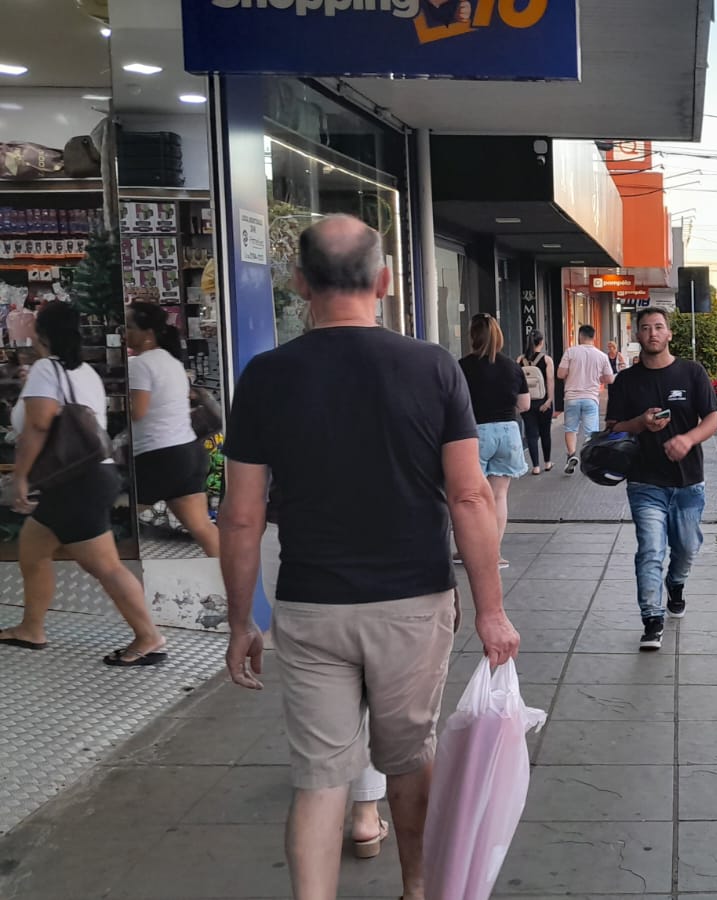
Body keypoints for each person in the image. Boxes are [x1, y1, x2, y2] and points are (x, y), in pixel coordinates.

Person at [218, 214, 519, 900]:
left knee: (319, 779)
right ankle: (417, 890)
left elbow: (240, 515)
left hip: (310, 604)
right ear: (384, 282)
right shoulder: (433, 367)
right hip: (412, 602)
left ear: (300, 284)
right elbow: (470, 497)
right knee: (409, 760)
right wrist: (491, 611)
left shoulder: (265, 376)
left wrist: (241, 622)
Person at [0, 303, 165, 665]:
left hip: (76, 483)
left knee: (105, 566)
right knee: (32, 550)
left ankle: (148, 636)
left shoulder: (47, 369)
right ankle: (31, 627)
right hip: (86, 477)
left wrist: (22, 476)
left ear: (41, 334)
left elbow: (39, 425)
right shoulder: (82, 372)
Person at [605, 307, 717, 650]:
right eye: (645, 328)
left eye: (658, 327)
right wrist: (640, 423)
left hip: (689, 483)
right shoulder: (626, 381)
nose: (652, 333)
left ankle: (676, 583)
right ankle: (652, 619)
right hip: (644, 481)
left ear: (669, 333)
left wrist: (688, 439)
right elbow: (613, 427)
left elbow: (713, 418)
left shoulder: (692, 372)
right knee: (651, 549)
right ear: (637, 335)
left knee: (686, 548)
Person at [125, 301, 219, 557]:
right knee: (202, 528)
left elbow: (137, 411)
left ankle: (114, 576)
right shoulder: (172, 362)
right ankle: (233, 576)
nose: (125, 333)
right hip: (188, 453)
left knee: (118, 526)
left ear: (148, 333)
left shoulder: (139, 365)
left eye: (129, 327)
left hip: (158, 457)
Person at [459, 313, 529, 567]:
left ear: (472, 336)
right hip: (508, 432)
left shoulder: (462, 366)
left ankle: (470, 551)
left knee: (472, 497)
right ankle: (494, 554)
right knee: (499, 496)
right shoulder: (512, 366)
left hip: (474, 433)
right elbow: (525, 404)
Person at [556, 323, 613, 475]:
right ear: (594, 337)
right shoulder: (601, 356)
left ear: (580, 336)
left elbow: (560, 374)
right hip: (591, 398)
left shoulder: (570, 352)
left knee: (571, 429)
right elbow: (610, 378)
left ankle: (571, 455)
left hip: (572, 398)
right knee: (590, 432)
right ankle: (588, 460)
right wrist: (598, 378)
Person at [517, 332, 556, 473]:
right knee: (545, 433)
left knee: (531, 434)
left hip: (526, 402)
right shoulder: (547, 360)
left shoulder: (520, 360)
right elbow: (550, 381)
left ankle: (535, 466)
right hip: (543, 401)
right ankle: (547, 463)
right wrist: (549, 400)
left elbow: (517, 382)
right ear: (541, 342)